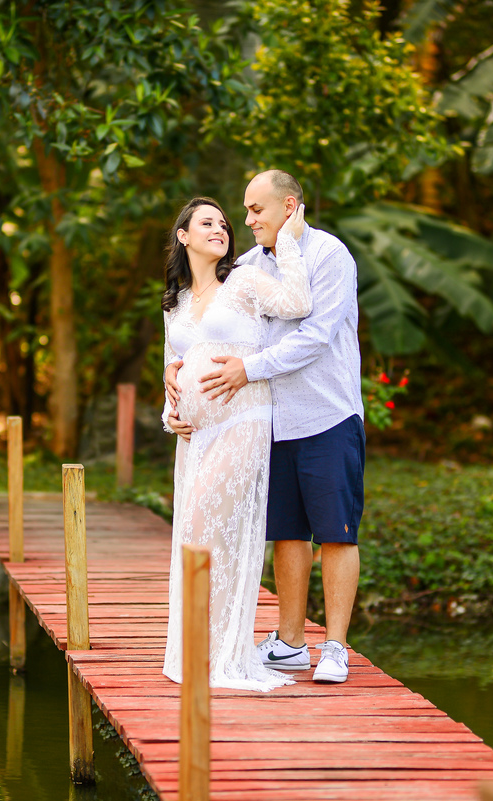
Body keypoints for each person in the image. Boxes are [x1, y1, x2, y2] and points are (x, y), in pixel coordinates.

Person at [166, 170, 364, 684]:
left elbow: (316, 335)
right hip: (272, 420)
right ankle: (291, 642)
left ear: (289, 206)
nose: (246, 221)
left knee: (336, 532)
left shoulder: (327, 255)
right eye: (244, 213)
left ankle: (336, 646)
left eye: (255, 211)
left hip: (326, 412)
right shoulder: (250, 265)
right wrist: (178, 371)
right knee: (287, 533)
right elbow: (213, 330)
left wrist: (247, 370)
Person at [159, 196, 311, 692]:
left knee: (207, 522)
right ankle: (199, 648)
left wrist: (287, 243)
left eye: (224, 224)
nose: (221, 229)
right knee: (195, 534)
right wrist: (170, 414)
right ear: (183, 236)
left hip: (244, 419)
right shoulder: (176, 303)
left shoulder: (242, 282)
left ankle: (222, 652)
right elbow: (172, 370)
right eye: (207, 223)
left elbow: (297, 304)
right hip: (197, 436)